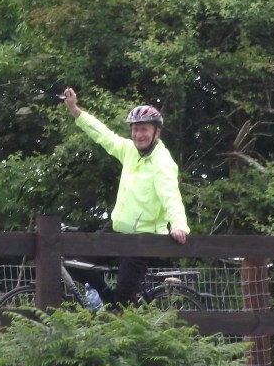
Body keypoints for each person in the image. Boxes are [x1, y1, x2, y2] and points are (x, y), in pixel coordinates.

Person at [61, 88, 189, 306]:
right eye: (135, 129)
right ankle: (108, 300)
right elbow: (104, 135)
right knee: (75, 263)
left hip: (142, 239)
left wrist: (179, 225)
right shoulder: (130, 151)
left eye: (144, 129)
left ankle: (119, 310)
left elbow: (171, 195)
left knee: (123, 301)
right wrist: (75, 110)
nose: (138, 135)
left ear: (157, 133)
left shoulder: (162, 162)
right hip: (117, 229)